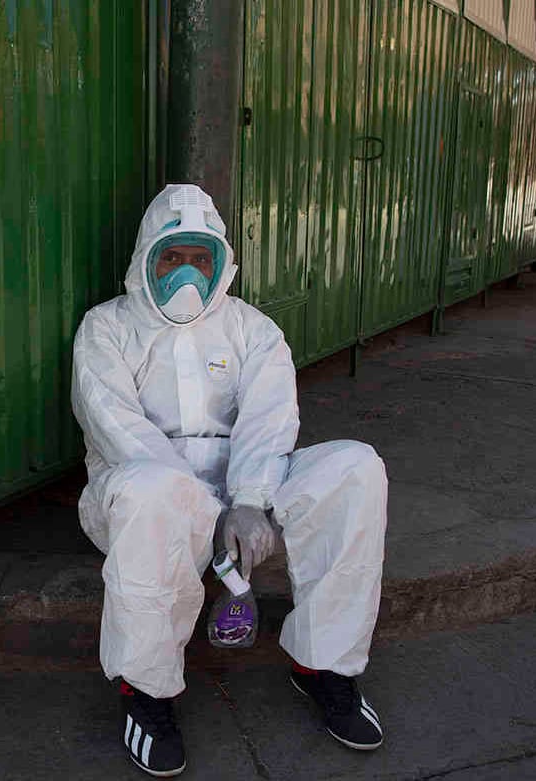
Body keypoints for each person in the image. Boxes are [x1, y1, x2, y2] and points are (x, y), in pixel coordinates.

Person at [71, 184, 388, 777]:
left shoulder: (251, 328)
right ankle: (146, 692)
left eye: (200, 259)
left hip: (246, 495)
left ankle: (324, 664)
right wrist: (210, 514)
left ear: (221, 264)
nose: (186, 274)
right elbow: (118, 427)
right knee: (152, 489)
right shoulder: (106, 327)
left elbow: (270, 419)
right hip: (144, 499)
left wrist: (247, 501)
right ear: (146, 258)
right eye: (171, 257)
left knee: (355, 467)